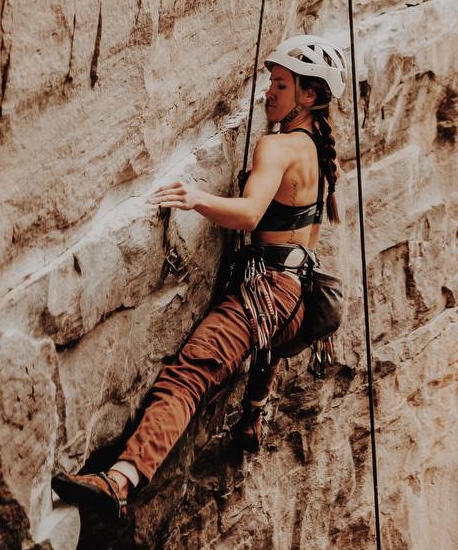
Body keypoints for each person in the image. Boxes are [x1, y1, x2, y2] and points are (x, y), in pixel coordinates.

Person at [52, 33, 346, 519]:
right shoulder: (316, 149)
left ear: (308, 96)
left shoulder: (278, 148)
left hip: (268, 293)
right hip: (293, 299)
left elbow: (250, 215)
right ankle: (253, 415)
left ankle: (121, 481)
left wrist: (194, 199)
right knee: (244, 349)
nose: (267, 93)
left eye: (280, 84)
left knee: (191, 373)